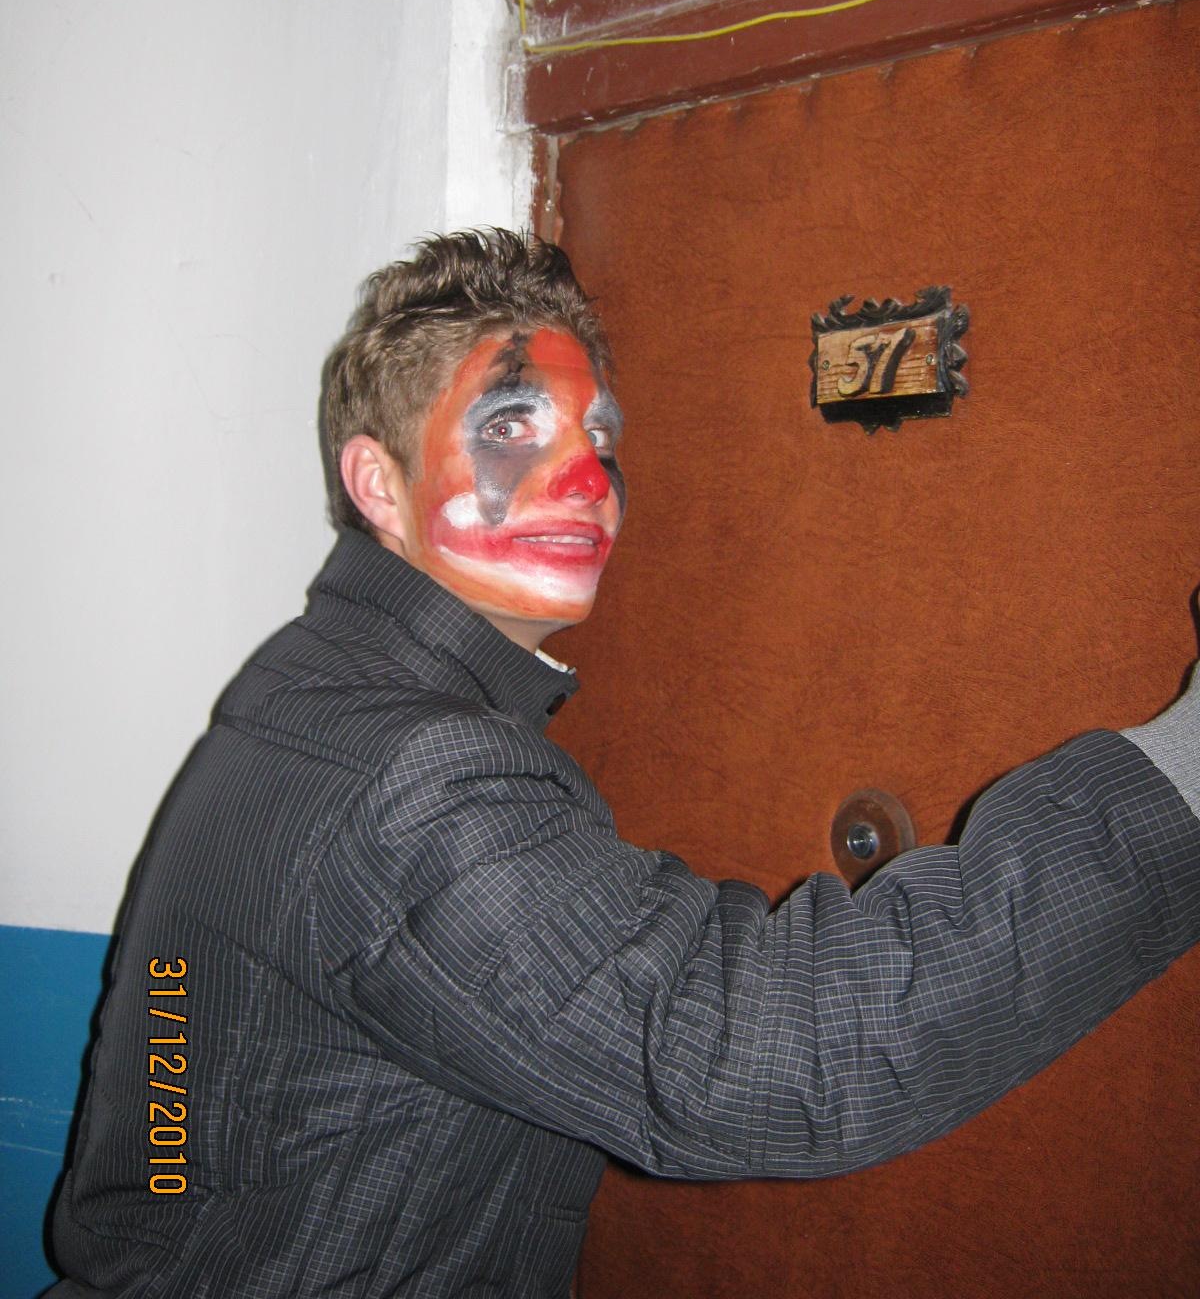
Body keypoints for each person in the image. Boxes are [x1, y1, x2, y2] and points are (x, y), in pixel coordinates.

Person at [51, 229, 1199, 1298]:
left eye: (599, 439)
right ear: (377, 484)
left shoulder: (309, 688)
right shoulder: (411, 774)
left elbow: (180, 1138)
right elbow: (779, 1053)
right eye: (513, 428)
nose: (588, 482)